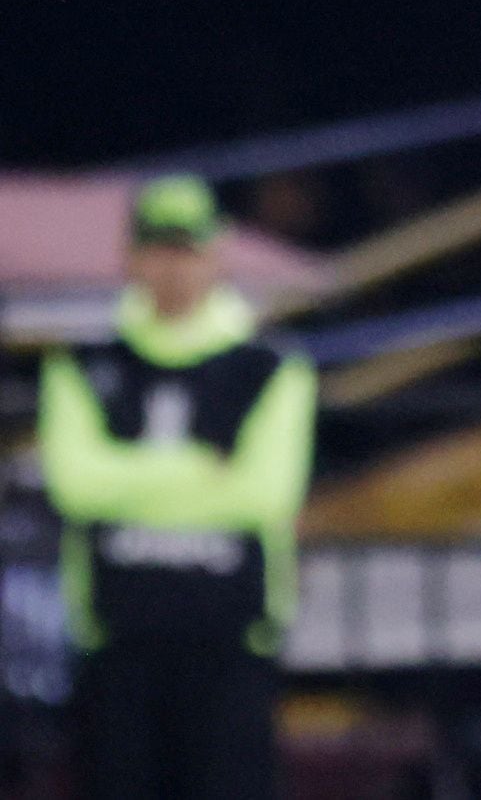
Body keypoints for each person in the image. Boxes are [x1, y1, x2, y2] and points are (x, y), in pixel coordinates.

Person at [38, 175, 317, 799]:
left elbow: (264, 495)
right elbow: (75, 485)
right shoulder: (83, 363)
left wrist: (128, 474)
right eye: (159, 249)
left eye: (187, 249)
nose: (174, 268)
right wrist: (198, 467)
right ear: (133, 257)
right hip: (117, 644)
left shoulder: (269, 365)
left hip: (232, 645)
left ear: (215, 254)